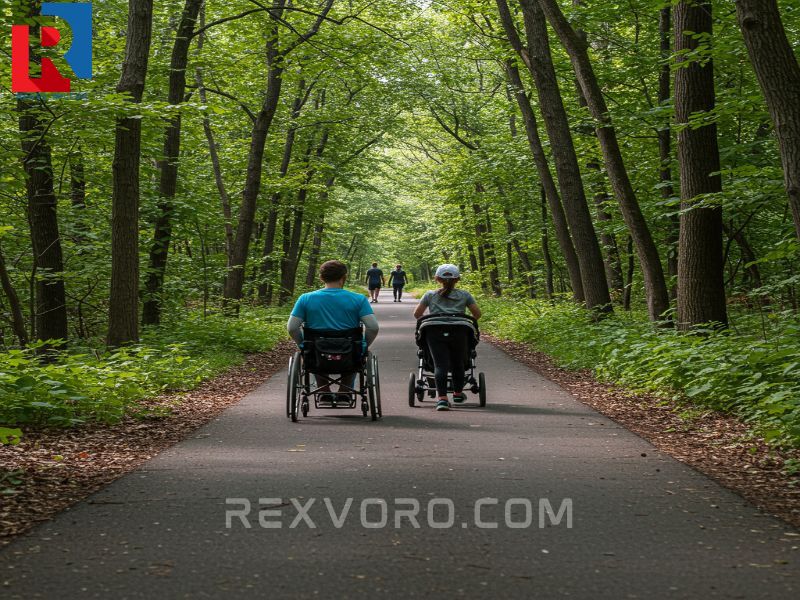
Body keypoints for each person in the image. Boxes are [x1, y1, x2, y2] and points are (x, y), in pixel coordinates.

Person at [288, 260, 379, 402]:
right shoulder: (358, 299)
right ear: (344, 277)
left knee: (314, 350)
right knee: (355, 350)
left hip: (317, 350)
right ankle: (345, 391)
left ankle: (324, 391)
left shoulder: (305, 299)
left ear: (321, 277)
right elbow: (373, 327)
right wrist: (364, 345)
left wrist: (302, 345)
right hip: (349, 350)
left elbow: (292, 327)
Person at [413, 264, 481, 412]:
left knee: (440, 365)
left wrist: (430, 320)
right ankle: (457, 393)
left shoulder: (430, 295)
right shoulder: (465, 295)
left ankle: (442, 399)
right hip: (459, 331)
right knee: (458, 363)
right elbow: (477, 314)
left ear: (437, 278)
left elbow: (417, 314)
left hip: (434, 331)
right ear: (457, 279)